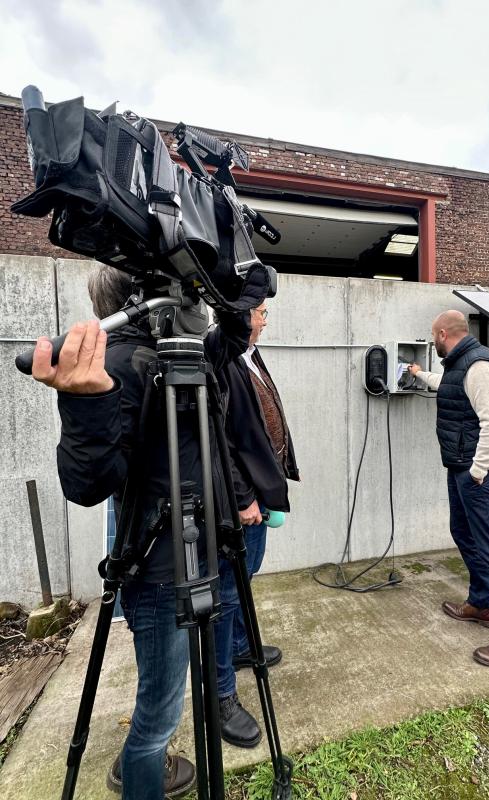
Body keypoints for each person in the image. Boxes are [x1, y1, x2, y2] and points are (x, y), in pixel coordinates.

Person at [31, 265, 253, 800]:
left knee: (164, 701)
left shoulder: (186, 356)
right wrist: (85, 405)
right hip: (158, 573)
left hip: (201, 549)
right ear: (148, 296)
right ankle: (144, 775)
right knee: (158, 714)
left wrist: (239, 296)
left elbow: (229, 346)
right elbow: (87, 484)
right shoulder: (122, 364)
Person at [408, 310, 489, 668]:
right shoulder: (459, 366)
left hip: (479, 472)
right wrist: (419, 375)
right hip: (461, 466)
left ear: (443, 333)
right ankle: (481, 603)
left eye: (433, 336)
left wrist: (478, 470)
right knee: (462, 531)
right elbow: (449, 387)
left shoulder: (480, 367)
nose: (432, 342)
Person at [215, 300, 300, 747]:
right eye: (261, 311)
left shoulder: (249, 355)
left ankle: (240, 647)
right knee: (228, 593)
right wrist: (244, 497)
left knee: (245, 579)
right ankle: (221, 692)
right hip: (241, 502)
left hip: (260, 492)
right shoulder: (223, 360)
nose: (266, 319)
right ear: (240, 315)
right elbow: (218, 439)